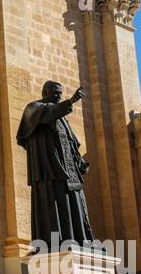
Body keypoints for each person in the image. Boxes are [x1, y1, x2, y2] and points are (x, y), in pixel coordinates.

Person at [16, 81, 94, 248]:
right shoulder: (34, 108)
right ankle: (59, 243)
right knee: (55, 204)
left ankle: (80, 241)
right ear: (45, 92)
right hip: (49, 169)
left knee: (76, 205)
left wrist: (79, 162)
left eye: (60, 93)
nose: (59, 96)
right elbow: (46, 114)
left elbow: (72, 142)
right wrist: (70, 101)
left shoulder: (62, 118)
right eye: (55, 92)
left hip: (70, 173)